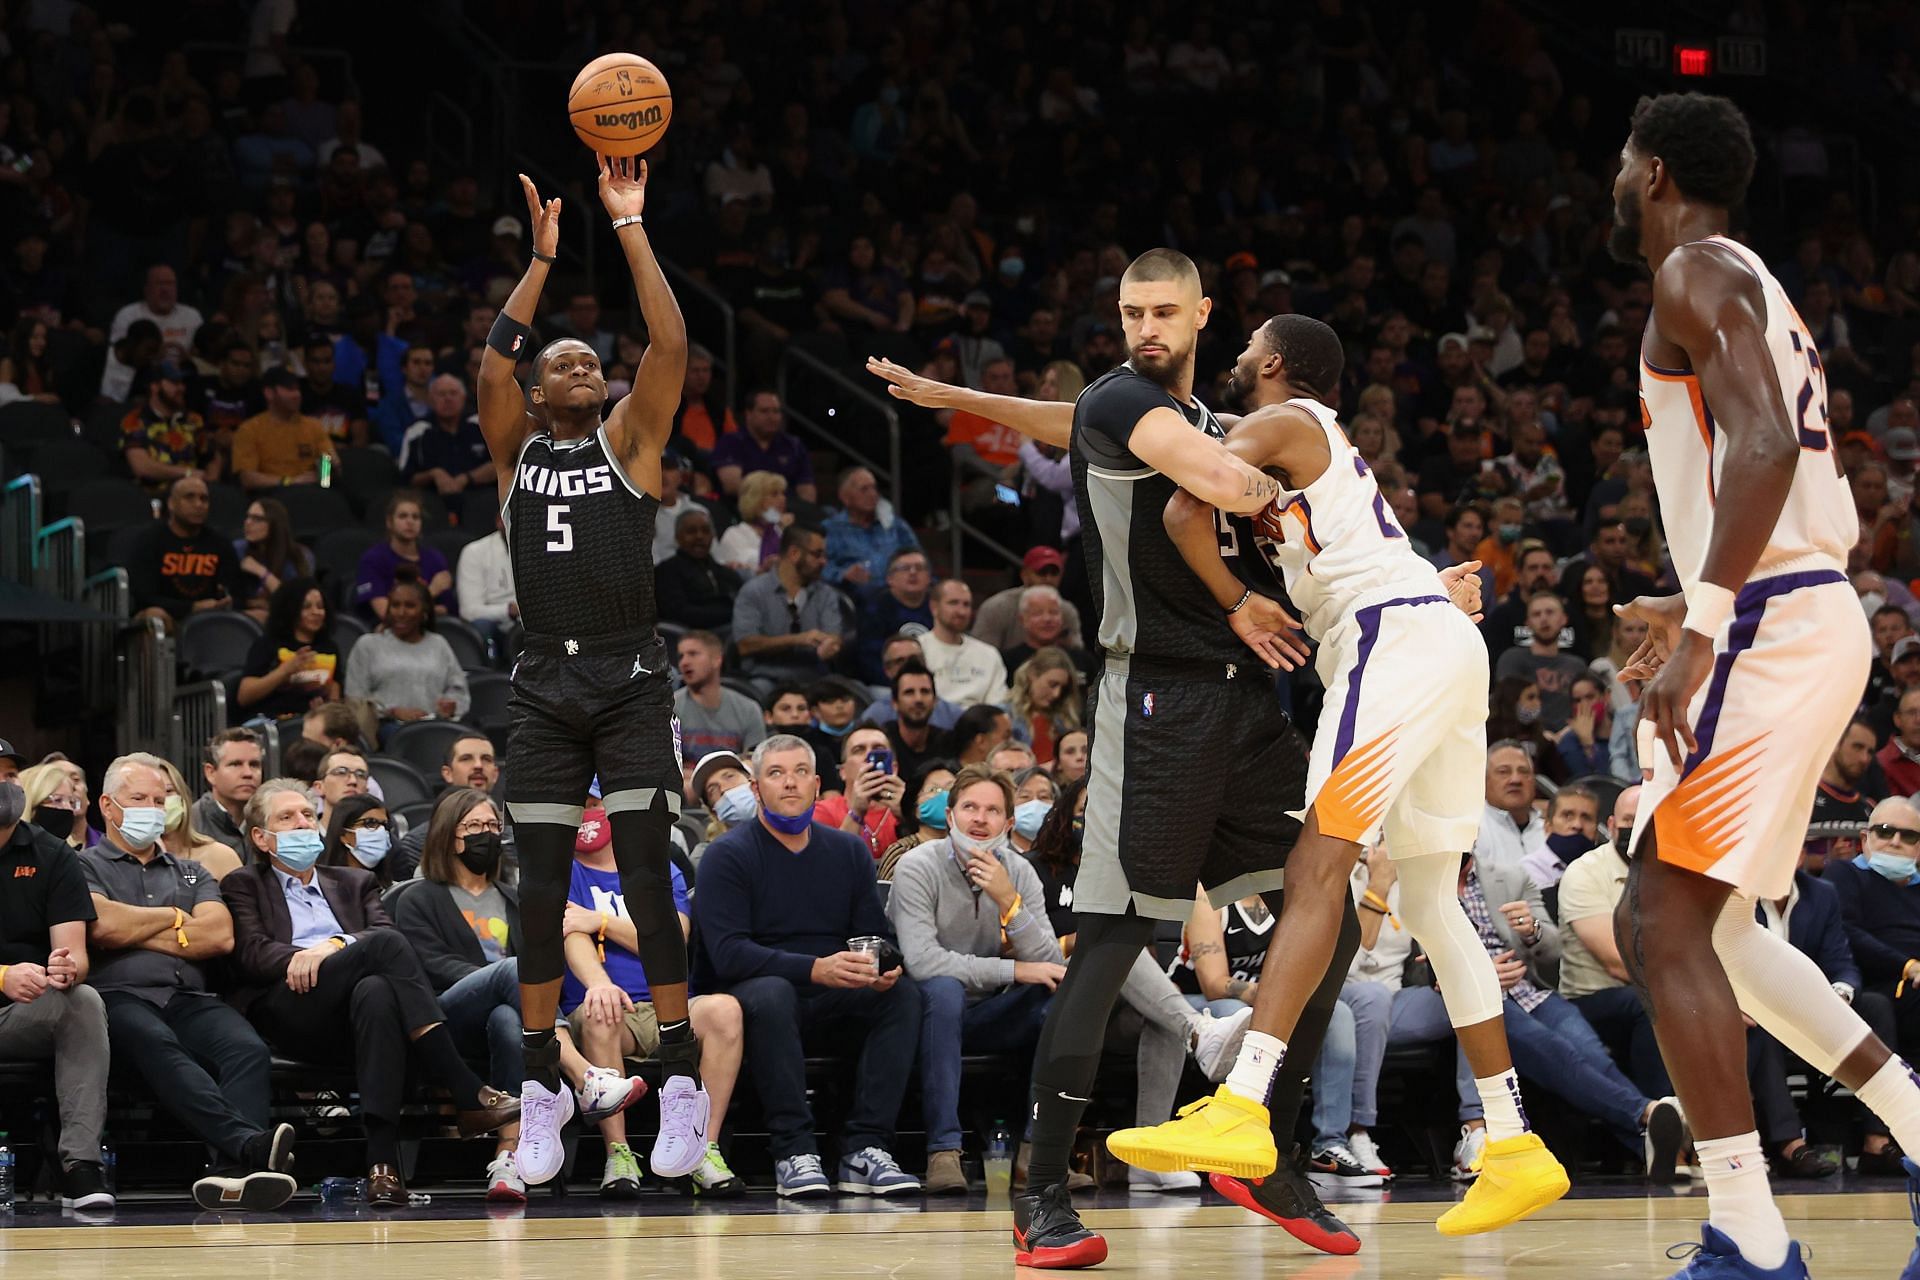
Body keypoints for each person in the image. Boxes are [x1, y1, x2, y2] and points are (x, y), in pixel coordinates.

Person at [868, 251, 1364, 1268]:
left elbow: (1093, 429)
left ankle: (1262, 1140)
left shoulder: (1195, 417)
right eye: (1133, 309)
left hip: (1248, 704)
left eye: (1165, 310)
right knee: (1109, 941)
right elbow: (1197, 468)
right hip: (1155, 698)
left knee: (1336, 923)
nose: (1147, 324)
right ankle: (1038, 1189)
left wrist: (960, 395)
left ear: (1203, 315)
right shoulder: (1129, 398)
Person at [1122, 311, 1570, 1243]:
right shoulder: (1319, 456)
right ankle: (1515, 1142)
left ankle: (1242, 1105)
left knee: (1317, 863)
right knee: (1435, 902)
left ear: (1276, 364)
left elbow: (1177, 502)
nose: (1239, 356)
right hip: (1435, 638)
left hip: (1389, 640)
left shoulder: (1286, 422)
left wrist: (1240, 601)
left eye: (1247, 345)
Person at [1610, 92, 1920, 1278]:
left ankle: (1747, 1232)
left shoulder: (1691, 268)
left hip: (1774, 619)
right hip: (1795, 605)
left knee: (1658, 916)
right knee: (1723, 934)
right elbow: (1761, 462)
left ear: (1651, 171)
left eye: (1621, 164)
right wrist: (1685, 588)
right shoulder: (1740, 274)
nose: (1615, 181)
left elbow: (1767, 445)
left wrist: (1703, 620)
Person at [472, 160, 710, 1189]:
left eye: (587, 359)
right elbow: (490, 365)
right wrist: (537, 262)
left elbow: (670, 342)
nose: (579, 365)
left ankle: (687, 1079)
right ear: (536, 389)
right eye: (558, 361)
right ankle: (537, 1090)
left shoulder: (631, 440)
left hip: (630, 680)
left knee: (650, 878)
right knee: (534, 898)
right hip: (542, 686)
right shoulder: (513, 451)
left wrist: (630, 224)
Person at [221, 779, 520, 1207]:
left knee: (377, 991)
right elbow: (252, 951)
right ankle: (465, 1088)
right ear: (260, 837)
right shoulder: (244, 883)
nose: (302, 822)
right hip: (291, 1006)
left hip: (357, 1013)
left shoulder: (354, 881)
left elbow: (381, 930)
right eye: (286, 817)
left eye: (308, 814)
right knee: (384, 947)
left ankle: (383, 1168)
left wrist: (333, 945)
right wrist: (310, 956)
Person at [390, 786, 645, 1202]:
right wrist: (499, 980)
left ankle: (508, 1161)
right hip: (445, 1020)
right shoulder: (418, 897)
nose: (485, 834)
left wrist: (507, 987)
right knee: (517, 974)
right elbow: (427, 965)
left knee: (511, 1019)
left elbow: (548, 963)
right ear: (446, 835)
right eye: (472, 825)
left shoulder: (516, 898)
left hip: (513, 1017)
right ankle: (585, 1078)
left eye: (491, 825)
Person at [692, 736, 921, 1196]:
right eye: (776, 773)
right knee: (772, 993)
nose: (790, 783)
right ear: (757, 789)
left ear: (818, 784)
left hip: (832, 991)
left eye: (799, 772)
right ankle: (793, 1151)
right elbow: (729, 954)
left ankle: (864, 1149)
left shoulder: (848, 851)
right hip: (751, 997)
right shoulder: (728, 855)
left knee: (904, 995)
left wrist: (882, 967)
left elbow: (875, 936)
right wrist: (815, 968)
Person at [81, 754, 298, 1211]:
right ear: (107, 805)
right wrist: (177, 919)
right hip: (119, 999)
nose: (153, 809)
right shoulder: (83, 866)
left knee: (246, 1048)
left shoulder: (192, 871)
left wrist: (136, 930)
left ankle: (234, 1175)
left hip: (189, 996)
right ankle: (249, 1148)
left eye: (159, 800)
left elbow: (218, 936)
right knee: (159, 1044)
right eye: (138, 798)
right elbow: (103, 928)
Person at [889, 765, 1065, 1193]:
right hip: (927, 1012)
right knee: (943, 990)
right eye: (969, 807)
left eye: (991, 811)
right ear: (950, 817)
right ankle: (943, 1152)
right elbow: (924, 963)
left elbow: (1047, 962)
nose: (979, 819)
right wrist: (1013, 969)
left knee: (1059, 997)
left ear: (1008, 823)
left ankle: (1037, 1152)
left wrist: (1009, 900)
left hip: (992, 1012)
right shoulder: (916, 866)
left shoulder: (1019, 871)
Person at [561, 795, 743, 1198]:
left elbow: (674, 936)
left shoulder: (658, 867)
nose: (589, 812)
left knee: (725, 1011)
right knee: (599, 1011)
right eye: (583, 803)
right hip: (609, 1009)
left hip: (670, 1006)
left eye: (596, 802)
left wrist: (601, 921)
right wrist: (599, 983)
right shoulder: (562, 869)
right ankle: (619, 1155)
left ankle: (702, 1150)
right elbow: (571, 932)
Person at [0, 770, 113, 1209]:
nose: (4, 784)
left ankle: (81, 1167)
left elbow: (75, 955)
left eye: (9, 775)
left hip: (17, 1015)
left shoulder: (51, 854)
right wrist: (4, 975)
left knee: (82, 1001)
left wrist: (64, 970)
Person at [342, 577, 470, 736]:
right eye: (395, 605)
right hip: (383, 728)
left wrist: (451, 705)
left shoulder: (438, 644)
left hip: (433, 725)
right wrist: (391, 711)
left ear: (424, 612)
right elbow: (354, 699)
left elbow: (458, 690)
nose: (401, 613)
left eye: (409, 606)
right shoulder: (368, 645)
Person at [730, 524, 852, 689]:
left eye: (824, 555)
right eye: (817, 554)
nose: (824, 562)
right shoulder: (753, 592)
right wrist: (798, 639)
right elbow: (745, 645)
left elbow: (833, 635)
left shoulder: (826, 594)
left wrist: (832, 645)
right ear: (794, 553)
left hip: (814, 677)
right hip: (767, 677)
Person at [127, 475, 245, 630]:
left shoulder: (220, 543)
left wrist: (226, 601)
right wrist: (191, 608)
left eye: (204, 499)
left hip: (211, 618)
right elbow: (144, 596)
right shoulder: (149, 540)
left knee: (260, 616)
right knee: (155, 615)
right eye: (189, 497)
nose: (198, 504)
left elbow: (235, 590)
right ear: (171, 504)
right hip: (168, 617)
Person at [236, 577, 340, 721]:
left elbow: (334, 690)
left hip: (311, 724)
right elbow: (244, 696)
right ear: (291, 609)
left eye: (320, 606)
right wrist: (285, 670)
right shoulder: (267, 644)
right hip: (269, 722)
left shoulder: (329, 648)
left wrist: (324, 709)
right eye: (307, 606)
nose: (316, 612)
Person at [231, 367, 337, 491]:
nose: (297, 395)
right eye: (290, 389)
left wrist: (324, 478)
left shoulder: (314, 426)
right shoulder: (249, 429)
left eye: (298, 389)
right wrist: (290, 482)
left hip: (311, 493)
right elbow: (247, 479)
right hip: (272, 495)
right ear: (269, 393)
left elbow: (328, 460)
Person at [354, 491, 455, 620]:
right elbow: (386, 613)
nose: (410, 522)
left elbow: (448, 610)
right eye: (403, 516)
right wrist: (430, 593)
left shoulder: (435, 558)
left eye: (415, 517)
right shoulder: (373, 559)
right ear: (389, 522)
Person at [1493, 595, 1588, 730]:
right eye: (1537, 614)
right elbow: (1506, 707)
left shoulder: (1577, 665)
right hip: (1525, 736)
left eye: (1550, 612)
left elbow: (1585, 708)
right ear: (1528, 623)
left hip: (1570, 738)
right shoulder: (1512, 659)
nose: (1544, 619)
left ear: (1564, 619)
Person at [122, 360, 219, 490]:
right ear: (155, 386)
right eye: (174, 382)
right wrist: (187, 473)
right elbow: (142, 467)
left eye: (182, 383)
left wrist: (210, 483)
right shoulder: (134, 421)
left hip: (190, 495)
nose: (181, 388)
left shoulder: (193, 420)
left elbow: (212, 458)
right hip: (149, 495)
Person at [814, 726, 906, 860]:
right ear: (843, 771)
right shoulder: (823, 811)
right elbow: (828, 865)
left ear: (894, 768)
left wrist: (906, 816)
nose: (868, 757)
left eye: (878, 750)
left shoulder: (912, 810)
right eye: (858, 750)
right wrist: (856, 813)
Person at [673, 631, 767, 761]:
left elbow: (754, 763)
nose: (684, 662)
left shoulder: (748, 709)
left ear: (717, 660)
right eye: (681, 657)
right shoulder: (669, 708)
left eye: (693, 654)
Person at [973, 547, 1086, 651]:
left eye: (1054, 573)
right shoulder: (997, 607)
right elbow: (983, 654)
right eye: (1041, 572)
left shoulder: (1066, 610)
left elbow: (1076, 652)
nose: (1048, 578)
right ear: (1024, 575)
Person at [711, 390, 816, 502]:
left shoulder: (793, 445)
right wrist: (770, 501)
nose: (771, 417)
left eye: (776, 411)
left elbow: (806, 488)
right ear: (749, 414)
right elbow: (732, 486)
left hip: (788, 509)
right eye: (764, 411)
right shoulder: (730, 442)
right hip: (744, 509)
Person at [824, 466, 920, 587]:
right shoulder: (831, 529)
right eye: (864, 489)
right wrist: (842, 574)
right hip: (853, 596)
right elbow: (817, 567)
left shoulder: (896, 526)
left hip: (897, 594)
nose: (873, 494)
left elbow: (919, 559)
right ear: (845, 497)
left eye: (874, 488)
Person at [401, 374, 494, 498]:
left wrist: (466, 478)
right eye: (441, 394)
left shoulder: (481, 425)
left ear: (463, 398)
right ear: (430, 400)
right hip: (432, 501)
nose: (448, 398)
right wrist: (433, 474)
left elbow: (502, 467)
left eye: (453, 393)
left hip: (479, 499)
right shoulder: (417, 431)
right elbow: (406, 478)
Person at [919, 579, 1010, 706]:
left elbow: (997, 704)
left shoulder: (989, 654)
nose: (961, 611)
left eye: (966, 605)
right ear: (934, 607)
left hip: (980, 722)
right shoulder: (918, 649)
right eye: (953, 603)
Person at [854, 549, 935, 684]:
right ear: (889, 578)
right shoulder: (875, 609)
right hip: (886, 684)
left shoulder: (938, 606)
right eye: (904, 568)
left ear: (929, 578)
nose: (913, 572)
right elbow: (869, 660)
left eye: (920, 568)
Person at [655, 509, 741, 632]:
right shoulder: (666, 572)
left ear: (712, 536)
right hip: (690, 635)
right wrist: (730, 613)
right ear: (678, 537)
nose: (699, 536)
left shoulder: (725, 573)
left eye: (705, 531)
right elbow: (679, 612)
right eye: (691, 531)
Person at [232, 499, 313, 621]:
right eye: (247, 517)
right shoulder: (238, 549)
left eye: (257, 519)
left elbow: (295, 601)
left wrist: (261, 572)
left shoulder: (299, 555)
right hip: (243, 619)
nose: (248, 523)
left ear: (275, 524)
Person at [1008, 648, 1085, 765]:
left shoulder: (1063, 721)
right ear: (1032, 675)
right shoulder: (1004, 716)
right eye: (1052, 684)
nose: (1057, 694)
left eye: (1062, 688)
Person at [194, 728, 264, 855]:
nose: (248, 773)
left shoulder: (268, 821)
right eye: (235, 764)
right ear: (211, 773)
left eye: (254, 764)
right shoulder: (190, 825)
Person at [1002, 587, 1095, 678]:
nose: (1047, 619)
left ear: (1062, 618)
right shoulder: (1006, 662)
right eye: (1038, 613)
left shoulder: (1084, 661)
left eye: (1054, 612)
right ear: (1022, 620)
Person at [455, 520, 519, 652]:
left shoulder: (542, 549)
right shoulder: (474, 552)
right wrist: (509, 610)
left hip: (530, 624)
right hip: (496, 626)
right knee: (482, 626)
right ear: (499, 521)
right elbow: (469, 611)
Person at [715, 470, 790, 576]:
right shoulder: (735, 535)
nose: (783, 498)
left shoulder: (780, 531)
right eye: (774, 494)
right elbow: (757, 565)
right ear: (755, 499)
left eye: (782, 493)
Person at [320, 792, 400, 890]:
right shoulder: (322, 890)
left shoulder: (395, 890)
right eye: (369, 823)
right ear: (344, 835)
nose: (380, 831)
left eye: (384, 825)